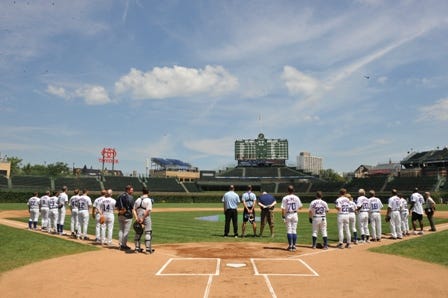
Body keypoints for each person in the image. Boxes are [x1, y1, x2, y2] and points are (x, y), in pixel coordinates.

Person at [281, 185, 303, 252]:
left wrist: (283, 217)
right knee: (294, 230)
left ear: (287, 190)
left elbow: (283, 208)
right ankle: (294, 246)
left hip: (288, 214)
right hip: (295, 214)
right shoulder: (296, 197)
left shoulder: (285, 198)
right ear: (293, 190)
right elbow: (301, 207)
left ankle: (290, 246)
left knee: (289, 230)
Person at [132, 188, 154, 253]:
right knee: (148, 232)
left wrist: (136, 218)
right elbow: (148, 210)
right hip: (145, 217)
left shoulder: (137, 199)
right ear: (148, 192)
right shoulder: (148, 200)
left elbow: (133, 209)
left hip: (138, 216)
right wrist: (143, 218)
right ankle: (147, 249)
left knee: (138, 232)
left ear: (142, 192)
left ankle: (137, 248)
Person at [116, 185, 135, 250]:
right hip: (128, 215)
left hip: (120, 215)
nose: (132, 191)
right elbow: (133, 208)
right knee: (126, 231)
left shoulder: (119, 196)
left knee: (121, 230)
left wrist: (120, 211)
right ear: (128, 190)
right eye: (131, 190)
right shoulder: (130, 197)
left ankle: (120, 244)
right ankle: (124, 245)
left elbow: (116, 207)